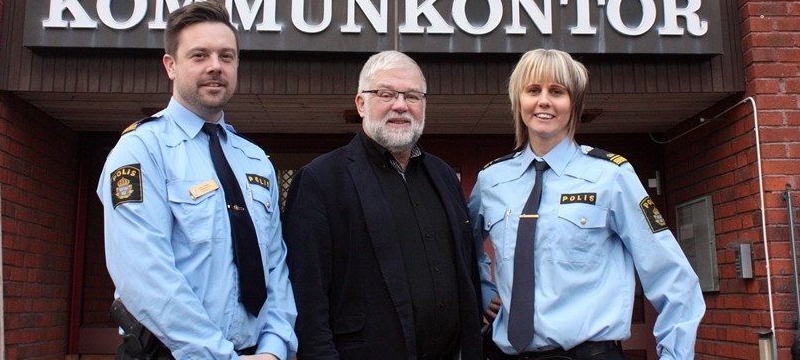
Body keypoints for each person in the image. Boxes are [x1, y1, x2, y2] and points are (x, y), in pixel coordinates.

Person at [469, 49, 705, 360]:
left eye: (557, 91)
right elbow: (462, 249)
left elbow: (672, 276)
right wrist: (484, 290)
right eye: (533, 90)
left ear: (574, 103)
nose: (544, 101)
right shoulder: (492, 180)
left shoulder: (611, 176)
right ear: (519, 100)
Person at [96, 0, 297, 360]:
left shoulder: (254, 159)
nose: (215, 67)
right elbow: (146, 275)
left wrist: (275, 347)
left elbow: (275, 265)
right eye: (199, 55)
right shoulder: (142, 151)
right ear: (170, 66)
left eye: (227, 56)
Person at [282, 50, 484, 360]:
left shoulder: (443, 176)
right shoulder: (321, 180)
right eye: (386, 94)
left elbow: (466, 272)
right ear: (361, 104)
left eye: (413, 96)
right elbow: (308, 301)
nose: (401, 106)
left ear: (424, 105)